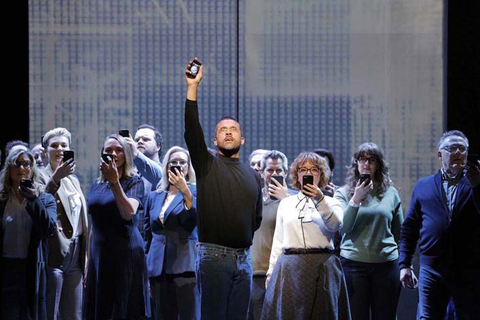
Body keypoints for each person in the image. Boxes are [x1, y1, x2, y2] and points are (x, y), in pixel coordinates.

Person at [184, 57, 263, 320]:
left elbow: (256, 219)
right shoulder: (207, 164)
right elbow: (192, 130)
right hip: (214, 257)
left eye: (233, 130)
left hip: (244, 260)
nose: (228, 133)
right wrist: (192, 87)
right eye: (222, 130)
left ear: (242, 138)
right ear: (215, 138)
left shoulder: (253, 175)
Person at [399, 130, 480, 319]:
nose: (458, 153)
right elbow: (410, 228)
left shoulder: (476, 184)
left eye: (462, 149)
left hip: (468, 267)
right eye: (452, 148)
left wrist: (478, 187)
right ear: (439, 154)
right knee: (427, 317)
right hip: (431, 267)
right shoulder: (424, 185)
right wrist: (405, 264)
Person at [261, 151, 349, 320]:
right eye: (303, 169)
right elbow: (278, 240)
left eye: (314, 170)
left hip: (322, 266)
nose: (308, 173)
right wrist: (271, 272)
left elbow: (335, 224)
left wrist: (319, 199)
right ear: (297, 174)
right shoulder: (287, 203)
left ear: (321, 173)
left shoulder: (332, 202)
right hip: (289, 268)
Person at [84, 134, 150, 319]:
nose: (113, 154)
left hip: (124, 253)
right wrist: (89, 259)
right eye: (108, 150)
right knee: (100, 307)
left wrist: (115, 182)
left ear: (126, 154)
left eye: (118, 150)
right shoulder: (97, 184)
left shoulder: (134, 182)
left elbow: (128, 213)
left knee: (122, 307)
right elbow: (94, 224)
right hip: (100, 254)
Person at [334, 142, 404, 320]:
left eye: (371, 159)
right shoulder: (343, 193)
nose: (366, 163)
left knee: (386, 316)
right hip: (354, 264)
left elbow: (399, 232)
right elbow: (344, 227)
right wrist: (356, 199)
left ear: (378, 164)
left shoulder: (391, 193)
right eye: (362, 159)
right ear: (356, 163)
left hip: (386, 265)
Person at [0, 148, 57, 320]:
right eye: (16, 164)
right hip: (6, 268)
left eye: (26, 164)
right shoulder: (2, 199)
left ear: (32, 168)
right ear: (8, 169)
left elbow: (48, 229)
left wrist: (33, 200)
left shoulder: (45, 199)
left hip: (32, 268)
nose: (21, 168)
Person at [144, 146, 199, 320]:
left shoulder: (196, 192)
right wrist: (146, 266)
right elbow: (147, 234)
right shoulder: (155, 196)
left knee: (188, 315)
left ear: (189, 167)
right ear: (166, 167)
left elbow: (191, 222)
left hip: (185, 266)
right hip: (158, 267)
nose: (178, 166)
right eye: (173, 162)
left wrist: (185, 192)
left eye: (183, 162)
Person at [42, 128, 88, 320]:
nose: (60, 149)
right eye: (54, 146)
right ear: (45, 152)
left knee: (74, 314)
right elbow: (41, 203)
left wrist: (86, 257)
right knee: (50, 311)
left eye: (64, 145)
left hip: (76, 253)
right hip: (54, 250)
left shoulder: (74, 180)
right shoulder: (41, 177)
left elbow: (81, 221)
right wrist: (56, 178)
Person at [248, 150, 294, 320]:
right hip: (254, 273)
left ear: (286, 172)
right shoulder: (252, 197)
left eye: (279, 170)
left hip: (281, 273)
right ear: (261, 172)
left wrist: (286, 198)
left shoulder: (294, 200)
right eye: (270, 170)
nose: (274, 174)